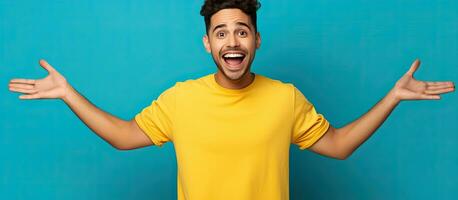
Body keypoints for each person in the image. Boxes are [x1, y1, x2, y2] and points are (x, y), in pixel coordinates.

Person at [7, 0, 455, 200]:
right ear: (207, 44)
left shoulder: (285, 97)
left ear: (256, 40)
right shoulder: (181, 99)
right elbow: (124, 137)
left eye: (241, 30)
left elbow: (337, 146)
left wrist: (392, 97)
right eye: (221, 32)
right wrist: (68, 93)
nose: (232, 40)